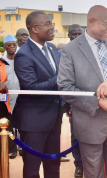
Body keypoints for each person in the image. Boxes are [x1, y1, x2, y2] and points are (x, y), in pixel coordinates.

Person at [57, 5, 107, 178]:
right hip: (89, 121)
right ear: (91, 22)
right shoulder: (70, 50)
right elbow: (65, 87)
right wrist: (98, 102)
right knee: (94, 172)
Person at [13, 11, 61, 178]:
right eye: (48, 24)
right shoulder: (23, 55)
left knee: (53, 164)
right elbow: (31, 88)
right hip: (33, 121)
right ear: (34, 28)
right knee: (32, 169)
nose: (52, 27)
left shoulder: (52, 48)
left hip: (54, 117)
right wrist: (60, 78)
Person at [61, 24, 84, 177]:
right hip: (73, 104)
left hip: (93, 102)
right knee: (76, 136)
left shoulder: (90, 51)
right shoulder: (65, 52)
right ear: (68, 36)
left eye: (79, 33)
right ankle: (79, 165)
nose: (76, 36)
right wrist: (68, 104)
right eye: (73, 34)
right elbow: (64, 81)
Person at [3, 34, 19, 159]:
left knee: (22, 123)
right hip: (6, 99)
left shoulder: (20, 60)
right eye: (9, 45)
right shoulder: (1, 62)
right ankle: (11, 148)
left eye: (14, 44)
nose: (12, 47)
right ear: (4, 47)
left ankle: (22, 147)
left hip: (21, 97)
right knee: (9, 124)